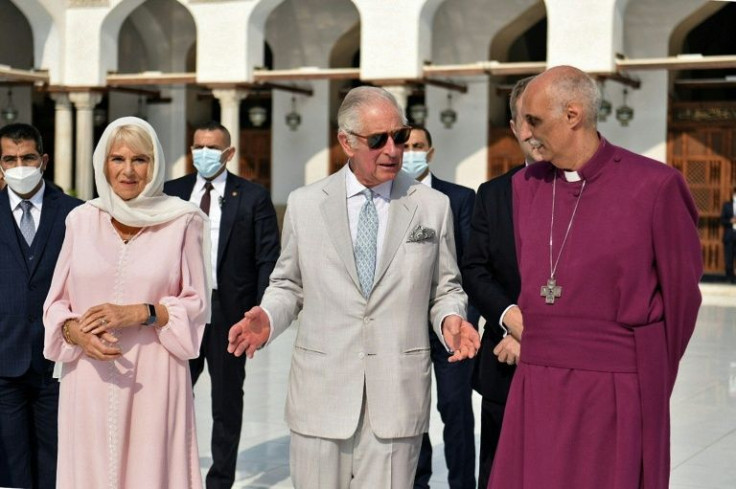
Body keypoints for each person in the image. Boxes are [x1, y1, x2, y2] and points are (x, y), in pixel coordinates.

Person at [227, 86, 480, 489]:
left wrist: (451, 318)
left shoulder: (431, 205)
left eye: (399, 136)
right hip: (321, 393)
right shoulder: (306, 203)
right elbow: (289, 283)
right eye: (377, 140)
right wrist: (269, 316)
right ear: (346, 141)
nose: (393, 150)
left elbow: (445, 287)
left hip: (397, 396)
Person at [488, 66, 702, 489]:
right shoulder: (524, 186)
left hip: (615, 388)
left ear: (573, 115)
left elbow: (682, 303)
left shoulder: (655, 185)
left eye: (534, 120)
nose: (525, 133)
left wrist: (644, 373)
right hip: (537, 382)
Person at [43, 116, 211, 489]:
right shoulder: (81, 220)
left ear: (155, 165)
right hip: (87, 376)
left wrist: (143, 311)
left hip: (154, 377)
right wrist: (76, 334)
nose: (128, 171)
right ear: (104, 163)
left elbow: (197, 304)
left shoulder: (183, 221)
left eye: (140, 159)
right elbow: (56, 304)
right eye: (118, 159)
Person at [164, 121, 280, 489]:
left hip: (230, 313)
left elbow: (268, 258)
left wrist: (260, 312)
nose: (204, 153)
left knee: (226, 402)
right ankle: (170, 473)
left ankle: (219, 480)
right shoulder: (172, 193)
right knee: (171, 395)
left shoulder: (252, 197)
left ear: (229, 153)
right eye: (198, 146)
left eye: (212, 148)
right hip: (181, 313)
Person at [462, 75, 542, 489]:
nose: (532, 131)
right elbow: (475, 270)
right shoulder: (493, 194)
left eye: (539, 118)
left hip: (564, 365)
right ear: (512, 127)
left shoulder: (587, 192)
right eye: (523, 120)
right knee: (498, 470)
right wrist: (511, 320)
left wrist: (532, 334)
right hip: (503, 359)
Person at [0, 123, 81, 489]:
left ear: (43, 160)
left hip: (59, 360)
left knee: (57, 461)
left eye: (28, 157)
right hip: (4, 360)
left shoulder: (76, 214)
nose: (20, 165)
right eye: (10, 158)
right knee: (11, 465)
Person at [402, 125, 478, 489]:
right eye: (406, 145)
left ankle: (463, 482)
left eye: (418, 146)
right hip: (405, 326)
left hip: (451, 323)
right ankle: (419, 481)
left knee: (455, 408)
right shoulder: (390, 199)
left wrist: (465, 319)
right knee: (412, 411)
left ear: (430, 152)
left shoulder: (459, 198)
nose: (411, 152)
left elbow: (469, 265)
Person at [721, 187, 736, 283]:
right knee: (729, 257)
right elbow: (722, 220)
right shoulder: (727, 205)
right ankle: (729, 277)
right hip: (730, 234)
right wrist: (730, 221)